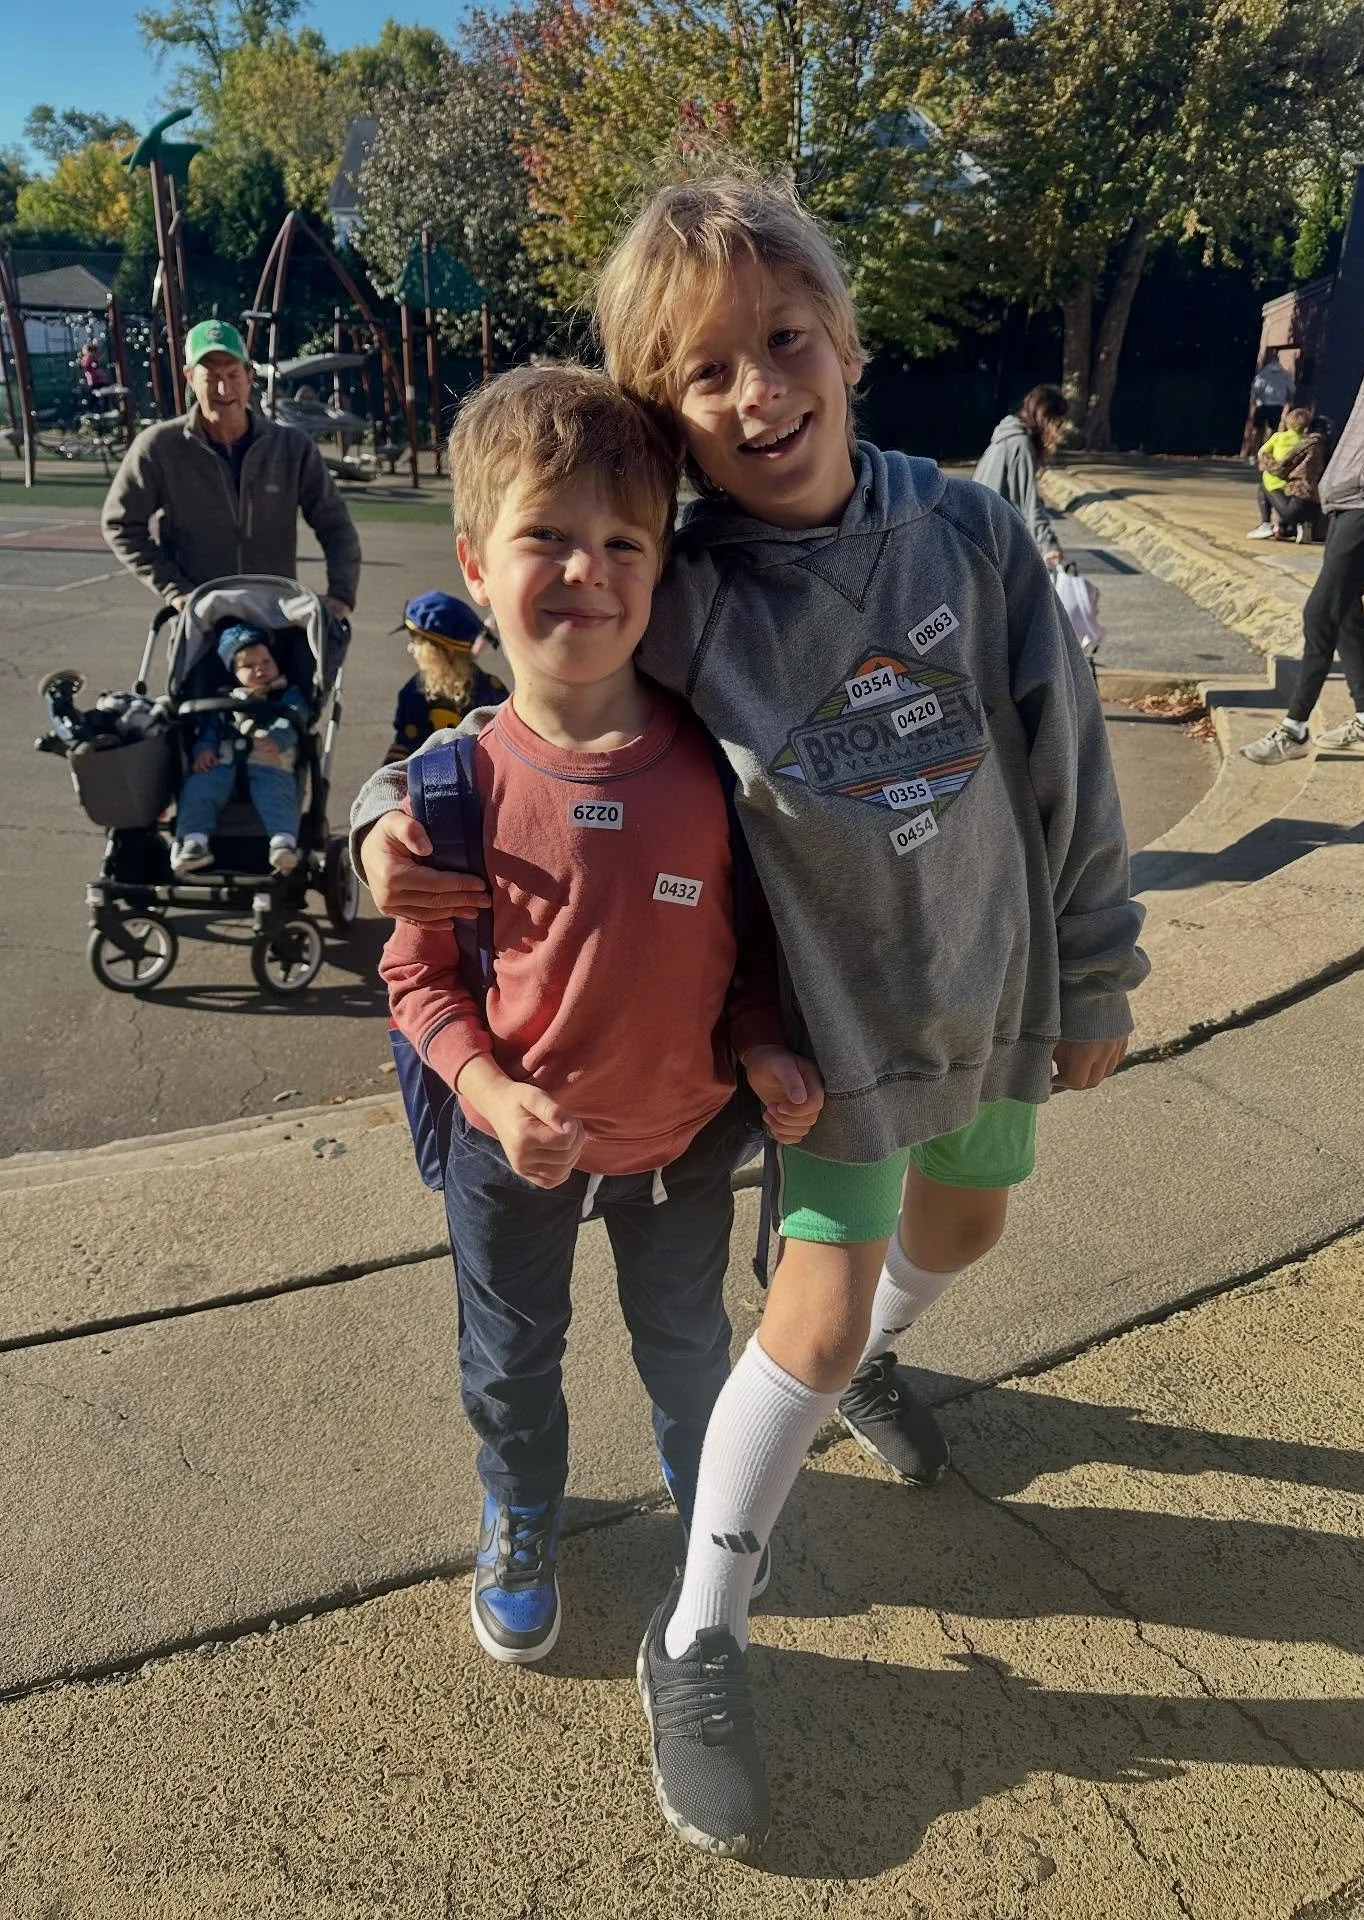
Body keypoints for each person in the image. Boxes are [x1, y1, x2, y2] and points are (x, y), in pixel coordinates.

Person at [353, 171, 1146, 1858]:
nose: (758, 392)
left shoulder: (971, 532)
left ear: (845, 344)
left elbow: (1068, 759)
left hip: (996, 1001)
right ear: (665, 410)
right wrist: (377, 816)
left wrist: (1095, 969)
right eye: (704, 373)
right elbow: (527, 706)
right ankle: (700, 1632)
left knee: (968, 1227)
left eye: (784, 343)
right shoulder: (687, 579)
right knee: (814, 1311)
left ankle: (872, 1369)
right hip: (830, 1036)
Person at [379, 362, 824, 1667]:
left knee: (688, 1341)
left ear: (662, 564)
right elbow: (419, 980)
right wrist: (489, 1092)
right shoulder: (449, 786)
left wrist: (763, 1043)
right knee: (513, 1358)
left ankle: (712, 1494)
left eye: (625, 542)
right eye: (546, 537)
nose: (587, 570)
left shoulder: (717, 765)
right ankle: (522, 1509)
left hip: (682, 1136)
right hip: (509, 1145)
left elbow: (753, 946)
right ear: (475, 562)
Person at [1242, 244, 1364, 765]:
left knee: (1320, 611)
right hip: (1348, 494)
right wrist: (1335, 480)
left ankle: (1294, 729)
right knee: (1346, 607)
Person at [102, 319, 361, 622]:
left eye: (233, 374)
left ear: (249, 376)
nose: (224, 389)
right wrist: (175, 589)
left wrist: (341, 594)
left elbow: (336, 525)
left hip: (276, 614)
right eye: (211, 376)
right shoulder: (159, 448)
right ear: (189, 377)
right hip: (202, 619)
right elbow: (121, 524)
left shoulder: (291, 447)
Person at [172, 622, 309, 875]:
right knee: (200, 787)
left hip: (269, 758)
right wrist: (204, 750)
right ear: (233, 672)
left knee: (276, 793)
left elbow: (293, 721)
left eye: (266, 661)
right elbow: (211, 731)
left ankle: (283, 842)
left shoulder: (288, 695)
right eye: (248, 666)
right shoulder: (225, 700)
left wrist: (276, 738)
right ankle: (194, 842)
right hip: (223, 760)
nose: (260, 669)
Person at [385, 590, 509, 765]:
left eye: (416, 641)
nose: (410, 649)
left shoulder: (490, 692)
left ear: (439, 651)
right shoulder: (413, 692)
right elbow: (405, 748)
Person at [971, 383, 1069, 565]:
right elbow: (1029, 503)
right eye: (1058, 424)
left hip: (978, 533)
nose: (1058, 433)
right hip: (991, 540)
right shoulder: (1019, 445)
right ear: (1047, 419)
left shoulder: (1005, 437)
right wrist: (1049, 544)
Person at [1247, 404, 1310, 538]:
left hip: (1275, 483)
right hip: (1294, 487)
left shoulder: (1278, 437)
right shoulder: (1305, 442)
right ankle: (1286, 526)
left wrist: (1270, 465)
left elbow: (1262, 452)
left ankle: (1265, 523)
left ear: (1288, 423)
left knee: (1263, 486)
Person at [1246, 347, 1295, 455]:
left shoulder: (1263, 374)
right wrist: (1289, 401)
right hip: (1277, 405)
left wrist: (1253, 401)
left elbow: (1256, 388)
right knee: (1273, 430)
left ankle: (1254, 453)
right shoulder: (1285, 374)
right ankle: (1268, 453)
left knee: (1258, 430)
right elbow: (1291, 389)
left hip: (1262, 404)